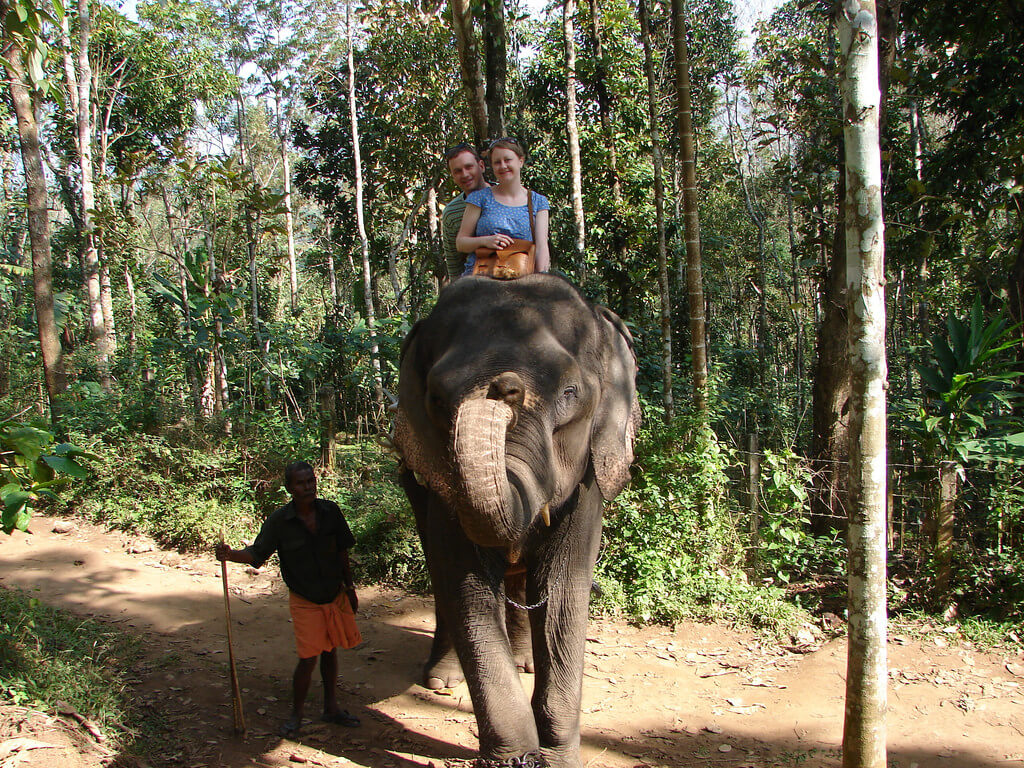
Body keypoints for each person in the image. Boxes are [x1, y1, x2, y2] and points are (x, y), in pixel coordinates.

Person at [216, 461, 362, 738]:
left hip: (334, 594)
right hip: (305, 599)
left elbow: (343, 552)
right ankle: (296, 715)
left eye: (310, 481)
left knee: (331, 650)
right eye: (300, 483)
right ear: (289, 488)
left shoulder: (330, 512)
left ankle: (331, 708)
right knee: (308, 657)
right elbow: (257, 554)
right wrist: (230, 554)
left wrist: (350, 587)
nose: (307, 487)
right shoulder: (279, 522)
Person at [456, 137, 551, 275]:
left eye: (507, 160)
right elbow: (461, 243)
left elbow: (542, 247)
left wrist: (542, 278)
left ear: (520, 161)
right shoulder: (479, 198)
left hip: (521, 275)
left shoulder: (538, 201)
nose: (503, 166)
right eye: (497, 162)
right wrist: (486, 241)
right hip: (481, 278)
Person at [441, 142, 489, 281]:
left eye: (469, 167)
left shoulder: (507, 197)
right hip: (476, 289)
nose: (465, 174)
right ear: (453, 176)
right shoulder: (452, 213)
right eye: (457, 171)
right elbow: (454, 267)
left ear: (481, 166)